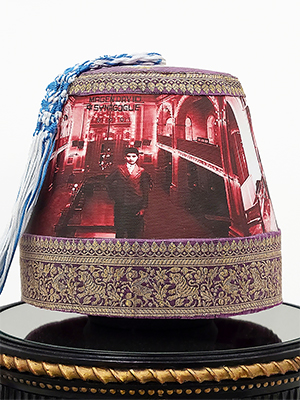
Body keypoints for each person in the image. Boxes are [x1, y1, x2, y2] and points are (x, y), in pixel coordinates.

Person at [106, 148, 151, 238]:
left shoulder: (142, 171)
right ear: (125, 157)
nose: (131, 158)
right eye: (129, 156)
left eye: (134, 156)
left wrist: (143, 207)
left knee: (133, 232)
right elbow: (108, 182)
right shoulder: (119, 169)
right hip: (121, 205)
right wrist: (114, 196)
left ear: (137, 157)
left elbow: (145, 190)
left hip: (135, 205)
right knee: (120, 230)